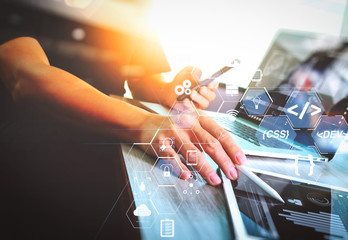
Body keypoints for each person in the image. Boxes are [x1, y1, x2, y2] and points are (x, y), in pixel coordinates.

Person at [0, 36, 246, 187]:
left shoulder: (135, 10)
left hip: (115, 125)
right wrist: (142, 124)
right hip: (34, 129)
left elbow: (141, 77)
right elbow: (26, 78)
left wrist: (169, 90)